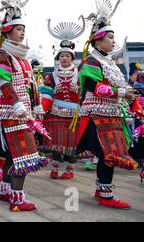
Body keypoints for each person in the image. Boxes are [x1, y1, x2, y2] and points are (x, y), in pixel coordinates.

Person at [0, 0, 46, 211]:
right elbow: (3, 82)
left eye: (23, 29)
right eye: (18, 29)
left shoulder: (23, 59)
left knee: (12, 154)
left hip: (23, 112)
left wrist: (37, 104)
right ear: (7, 31)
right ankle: (18, 200)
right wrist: (18, 104)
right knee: (22, 155)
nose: (22, 33)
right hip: (11, 112)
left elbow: (32, 85)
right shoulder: (2, 55)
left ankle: (6, 192)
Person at [75, 0, 138, 209]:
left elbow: (115, 87)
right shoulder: (92, 60)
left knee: (106, 155)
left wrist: (128, 94)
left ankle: (101, 189)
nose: (114, 41)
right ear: (98, 40)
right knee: (108, 155)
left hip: (111, 114)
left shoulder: (110, 62)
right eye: (110, 38)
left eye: (113, 37)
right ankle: (106, 196)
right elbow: (95, 87)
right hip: (98, 115)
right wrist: (122, 94)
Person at [40, 20, 85, 180]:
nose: (64, 58)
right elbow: (46, 96)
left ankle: (70, 169)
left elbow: (84, 95)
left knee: (72, 144)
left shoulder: (80, 75)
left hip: (74, 115)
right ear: (58, 58)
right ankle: (54, 168)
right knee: (56, 144)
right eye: (62, 56)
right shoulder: (51, 76)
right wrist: (41, 111)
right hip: (55, 114)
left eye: (67, 55)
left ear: (72, 58)